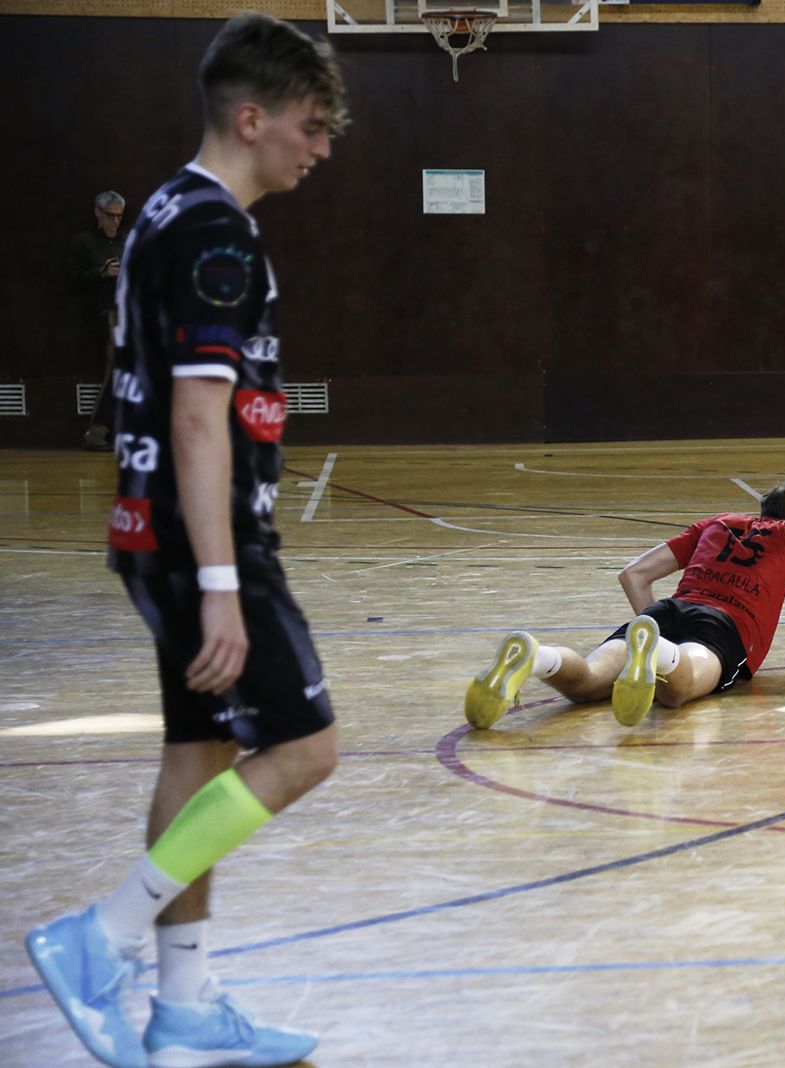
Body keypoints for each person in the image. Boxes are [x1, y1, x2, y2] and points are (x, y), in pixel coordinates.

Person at [25, 14, 348, 1068]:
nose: (322, 147)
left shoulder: (162, 205)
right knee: (304, 747)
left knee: (198, 752)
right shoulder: (213, 231)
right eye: (309, 125)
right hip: (202, 539)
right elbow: (200, 417)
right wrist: (220, 581)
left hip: (151, 529)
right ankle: (101, 941)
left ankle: (185, 1009)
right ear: (250, 117)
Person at [465, 480, 785, 730]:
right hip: (724, 628)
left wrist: (648, 627)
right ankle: (659, 655)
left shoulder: (718, 523)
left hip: (665, 611)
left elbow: (633, 574)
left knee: (588, 684)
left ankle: (538, 658)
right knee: (677, 691)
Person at [67, 190, 127, 450]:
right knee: (121, 365)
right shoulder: (83, 242)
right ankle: (97, 430)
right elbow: (73, 280)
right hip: (104, 313)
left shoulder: (128, 241)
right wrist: (101, 272)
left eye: (119, 216)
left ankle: (105, 431)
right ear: (98, 214)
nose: (115, 222)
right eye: (110, 216)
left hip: (130, 313)